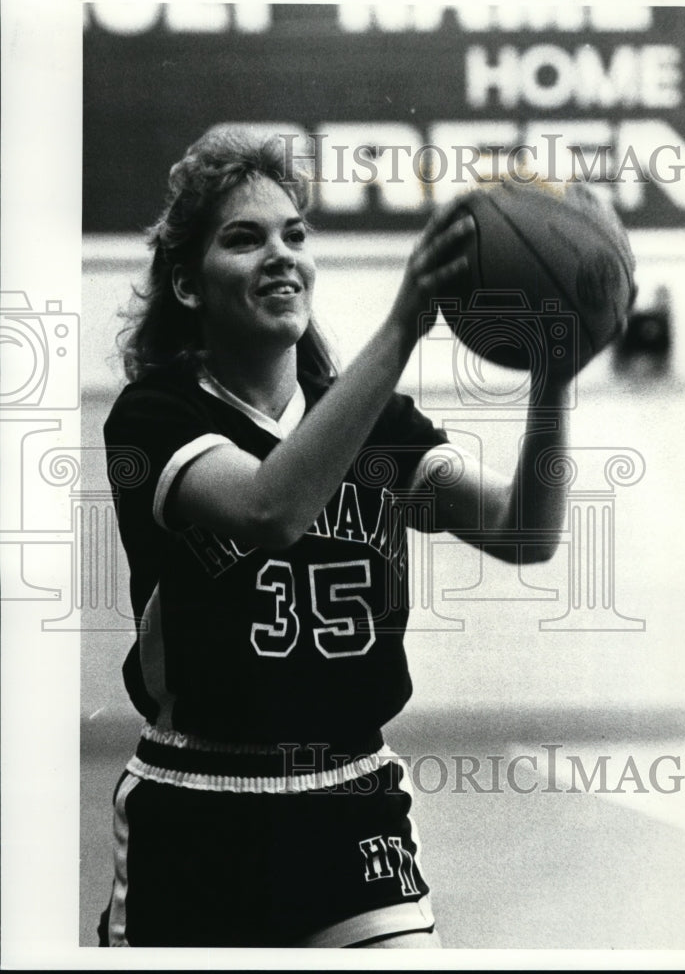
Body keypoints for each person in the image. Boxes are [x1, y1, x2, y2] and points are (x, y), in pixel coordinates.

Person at [99, 125, 572, 948]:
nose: (281, 255)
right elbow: (267, 511)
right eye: (244, 239)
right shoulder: (155, 416)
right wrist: (402, 327)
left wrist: (553, 379)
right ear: (186, 283)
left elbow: (523, 530)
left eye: (294, 234)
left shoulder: (378, 425)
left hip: (349, 798)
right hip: (199, 803)